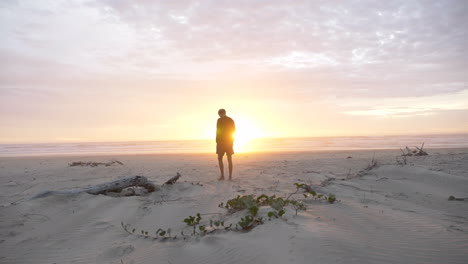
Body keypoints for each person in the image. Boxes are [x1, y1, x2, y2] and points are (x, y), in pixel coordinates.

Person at [216, 108, 235, 180]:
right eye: (219, 115)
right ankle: (225, 176)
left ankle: (226, 176)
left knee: (227, 159)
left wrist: (218, 141)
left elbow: (233, 131)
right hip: (225, 142)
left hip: (225, 142)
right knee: (224, 158)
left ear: (223, 113)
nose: (220, 116)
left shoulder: (227, 120)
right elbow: (218, 131)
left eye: (220, 114)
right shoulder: (228, 120)